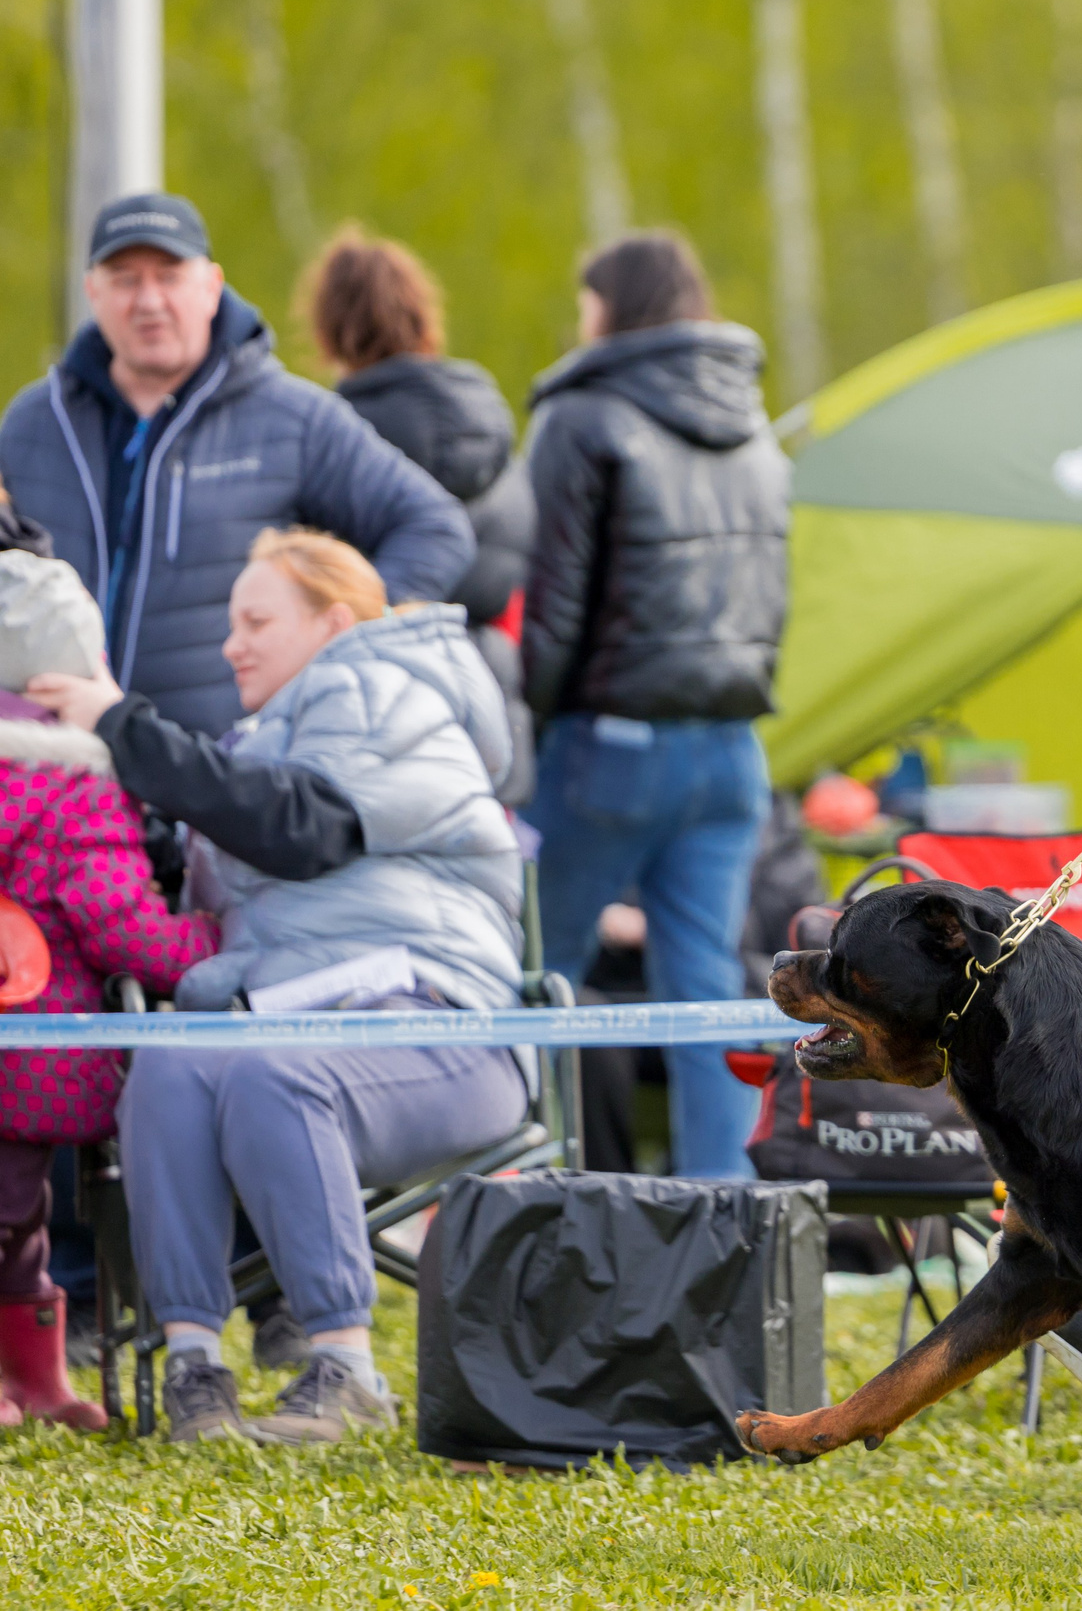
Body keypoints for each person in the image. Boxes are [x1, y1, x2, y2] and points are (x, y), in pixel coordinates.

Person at [28, 528, 528, 1444]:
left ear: (334, 623)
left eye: (256, 621)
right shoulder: (270, 734)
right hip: (292, 1026)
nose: (231, 646)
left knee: (271, 1072)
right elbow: (230, 833)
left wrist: (120, 725)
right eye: (231, 625)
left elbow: (301, 828)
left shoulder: (385, 690)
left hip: (443, 1030)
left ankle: (347, 1368)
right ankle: (192, 1365)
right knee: (168, 1067)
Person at [0, 192, 476, 736]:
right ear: (93, 291)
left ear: (211, 286)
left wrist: (342, 648)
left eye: (169, 276)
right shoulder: (36, 420)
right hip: (57, 762)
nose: (149, 300)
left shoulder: (292, 417)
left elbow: (434, 526)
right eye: (125, 279)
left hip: (221, 766)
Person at [520, 231, 790, 1180]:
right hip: (731, 750)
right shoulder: (755, 425)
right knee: (708, 993)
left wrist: (525, 736)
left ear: (610, 308)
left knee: (535, 974)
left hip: (611, 747)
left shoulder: (580, 417)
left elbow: (550, 610)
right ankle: (729, 1213)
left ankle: (516, 1195)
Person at [0, 539, 215, 1433]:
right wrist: (209, 943)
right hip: (29, 1059)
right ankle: (32, 1380)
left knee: (19, 1217)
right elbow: (123, 926)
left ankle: (36, 1380)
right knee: (12, 1214)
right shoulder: (73, 790)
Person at [303, 228, 537, 806]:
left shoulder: (332, 436)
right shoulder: (492, 428)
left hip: (379, 715)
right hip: (491, 705)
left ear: (328, 329)